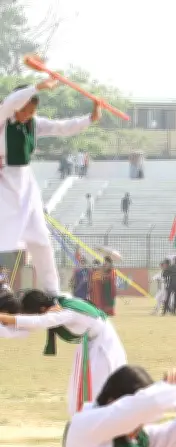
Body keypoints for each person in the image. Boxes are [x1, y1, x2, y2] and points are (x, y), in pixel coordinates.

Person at [0, 78, 101, 296]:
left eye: (32, 111)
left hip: (25, 186)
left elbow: (62, 127)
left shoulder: (34, 123)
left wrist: (89, 119)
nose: (28, 115)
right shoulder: (3, 118)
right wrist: (37, 87)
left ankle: (53, 293)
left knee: (41, 240)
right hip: (3, 184)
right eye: (25, 110)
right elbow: (8, 103)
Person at [0, 289, 128, 417]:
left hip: (104, 347)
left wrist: (4, 317)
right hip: (89, 344)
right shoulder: (58, 300)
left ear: (43, 309)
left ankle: (102, 420)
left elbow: (39, 322)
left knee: (99, 388)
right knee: (80, 391)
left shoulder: (65, 312)